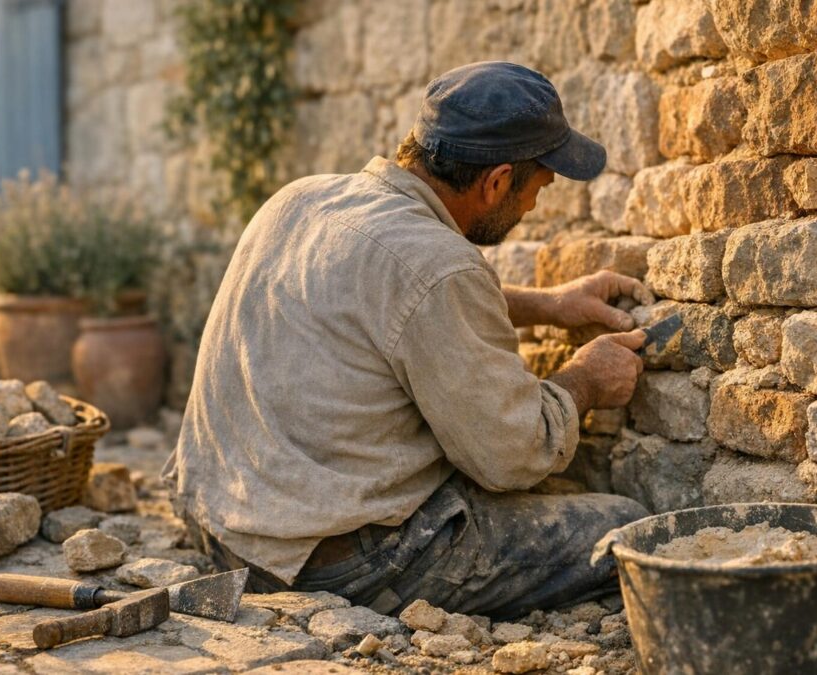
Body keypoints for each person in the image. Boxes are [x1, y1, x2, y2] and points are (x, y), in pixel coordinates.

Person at [163, 61, 652, 619]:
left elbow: (392, 299)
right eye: (538, 189)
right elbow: (512, 455)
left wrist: (549, 305)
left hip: (222, 521)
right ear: (497, 182)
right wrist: (585, 379)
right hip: (327, 560)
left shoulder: (302, 199)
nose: (534, 207)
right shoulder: (437, 264)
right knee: (628, 528)